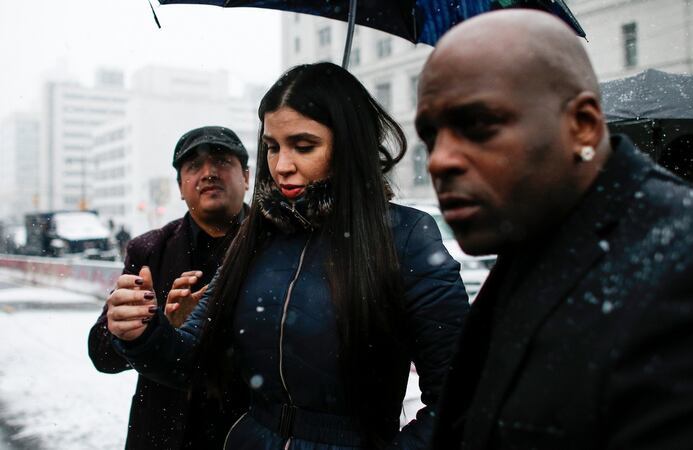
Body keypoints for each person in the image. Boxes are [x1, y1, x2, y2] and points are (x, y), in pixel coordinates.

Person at [414, 10, 693, 449]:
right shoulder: (532, 239)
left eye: (479, 125)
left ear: (581, 125)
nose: (439, 160)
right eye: (431, 136)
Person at [104, 62, 469, 449]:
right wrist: (143, 334)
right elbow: (189, 359)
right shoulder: (256, 235)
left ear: (349, 145)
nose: (281, 166)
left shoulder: (407, 235)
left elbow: (460, 399)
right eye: (272, 147)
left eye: (304, 146)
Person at [88, 125, 251, 449]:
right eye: (194, 167)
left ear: (246, 177)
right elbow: (102, 353)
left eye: (221, 161)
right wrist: (155, 327)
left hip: (244, 430)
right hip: (163, 431)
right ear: (180, 187)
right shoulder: (149, 250)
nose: (208, 173)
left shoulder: (276, 243)